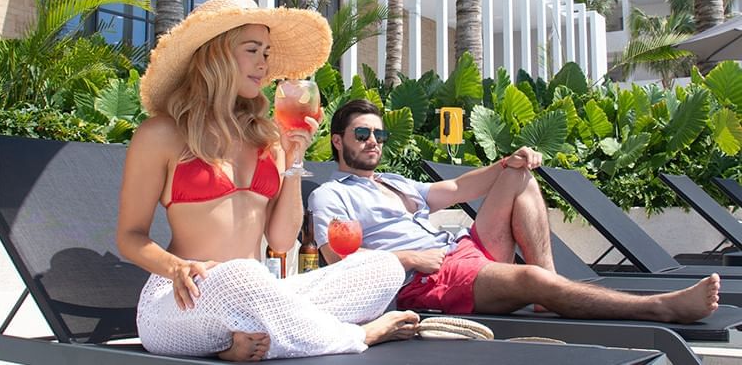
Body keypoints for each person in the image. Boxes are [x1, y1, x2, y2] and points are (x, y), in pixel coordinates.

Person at [117, 0, 418, 362]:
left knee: (383, 267)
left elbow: (279, 239)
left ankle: (242, 344)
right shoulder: (161, 134)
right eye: (253, 50)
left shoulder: (267, 138)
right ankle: (355, 336)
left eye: (267, 52)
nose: (264, 63)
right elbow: (129, 237)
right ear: (217, 54)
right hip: (182, 301)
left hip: (259, 293)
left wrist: (294, 161)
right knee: (241, 275)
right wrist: (176, 267)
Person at [308, 98, 721, 324]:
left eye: (378, 134)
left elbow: (456, 188)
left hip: (459, 254)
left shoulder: (395, 182)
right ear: (338, 141)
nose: (373, 141)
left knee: (520, 177)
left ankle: (547, 290)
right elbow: (334, 260)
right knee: (528, 277)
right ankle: (659, 308)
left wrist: (510, 160)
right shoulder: (331, 195)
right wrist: (410, 258)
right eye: (362, 134)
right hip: (427, 278)